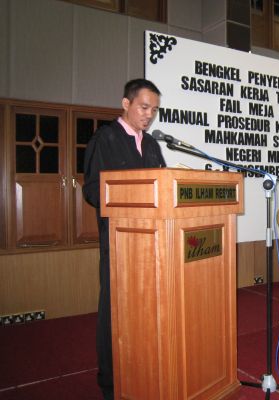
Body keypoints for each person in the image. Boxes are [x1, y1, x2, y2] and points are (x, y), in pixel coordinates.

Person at [83, 78, 166, 400]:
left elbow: (163, 189)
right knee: (114, 314)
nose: (149, 115)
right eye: (144, 107)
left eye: (154, 110)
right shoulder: (104, 139)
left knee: (148, 312)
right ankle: (112, 383)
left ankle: (144, 371)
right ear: (126, 104)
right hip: (119, 245)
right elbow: (93, 190)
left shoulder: (153, 145)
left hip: (153, 245)